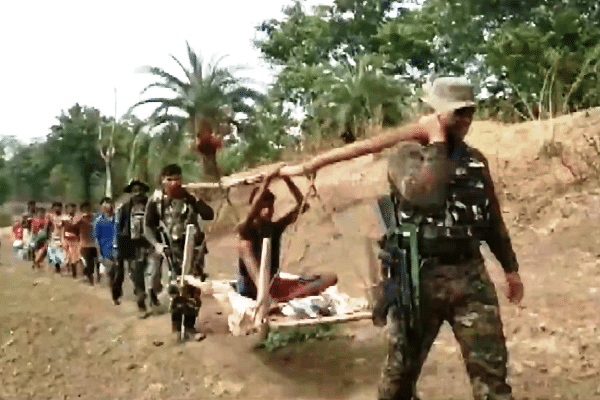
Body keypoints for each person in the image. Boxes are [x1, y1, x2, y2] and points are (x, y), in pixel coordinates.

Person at [307, 77, 524, 400]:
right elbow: (425, 196)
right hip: (418, 278)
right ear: (434, 113)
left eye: (469, 112)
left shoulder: (475, 160)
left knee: (492, 375)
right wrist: (436, 142)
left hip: (470, 277)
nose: (464, 120)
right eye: (456, 113)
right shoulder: (406, 157)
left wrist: (510, 268)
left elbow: (491, 219)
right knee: (400, 376)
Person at [236, 166, 337, 302]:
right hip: (251, 289)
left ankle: (284, 299)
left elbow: (303, 206)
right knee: (244, 245)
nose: (267, 211)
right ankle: (266, 297)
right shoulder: (245, 229)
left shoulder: (275, 228)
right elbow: (252, 212)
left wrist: (287, 180)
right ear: (256, 208)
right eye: (262, 207)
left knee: (329, 278)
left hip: (273, 284)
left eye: (270, 207)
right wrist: (267, 181)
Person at [144, 164, 214, 337]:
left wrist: (197, 200)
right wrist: (158, 246)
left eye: (177, 178)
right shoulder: (156, 201)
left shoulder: (189, 198)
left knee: (193, 288)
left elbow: (209, 215)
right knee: (174, 289)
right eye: (170, 179)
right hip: (171, 251)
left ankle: (189, 327)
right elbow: (147, 227)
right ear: (162, 181)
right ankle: (177, 326)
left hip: (194, 251)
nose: (174, 183)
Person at [114, 179, 154, 312]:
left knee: (154, 271)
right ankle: (140, 300)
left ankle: (152, 295)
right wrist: (120, 247)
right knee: (136, 271)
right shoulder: (125, 208)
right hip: (130, 244)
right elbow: (119, 228)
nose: (138, 193)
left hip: (150, 243)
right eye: (135, 190)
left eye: (140, 190)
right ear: (131, 193)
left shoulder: (151, 205)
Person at [73, 201, 97, 285]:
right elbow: (73, 225)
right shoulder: (79, 218)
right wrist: (80, 217)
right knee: (88, 263)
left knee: (94, 264)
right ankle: (90, 280)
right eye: (85, 209)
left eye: (88, 208)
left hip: (94, 244)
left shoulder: (95, 217)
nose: (87, 210)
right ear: (82, 210)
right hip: (84, 244)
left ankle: (93, 280)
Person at [93, 197, 116, 284]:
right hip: (105, 252)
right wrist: (99, 254)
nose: (106, 206)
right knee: (109, 275)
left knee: (118, 275)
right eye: (104, 204)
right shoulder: (98, 222)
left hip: (117, 251)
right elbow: (96, 239)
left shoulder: (117, 219)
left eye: (108, 203)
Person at [61, 203, 80, 278]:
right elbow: (62, 229)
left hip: (75, 239)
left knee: (74, 257)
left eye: (73, 208)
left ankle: (74, 272)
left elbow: (80, 230)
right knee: (67, 256)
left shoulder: (78, 219)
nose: (71, 210)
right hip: (66, 238)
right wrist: (62, 239)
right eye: (69, 208)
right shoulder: (64, 219)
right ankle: (68, 270)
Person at [46, 202, 66, 273]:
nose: (57, 209)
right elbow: (48, 228)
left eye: (59, 207)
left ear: (61, 208)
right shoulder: (50, 217)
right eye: (55, 207)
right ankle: (57, 269)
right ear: (53, 209)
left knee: (63, 257)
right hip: (53, 238)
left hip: (62, 238)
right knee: (54, 256)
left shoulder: (64, 217)